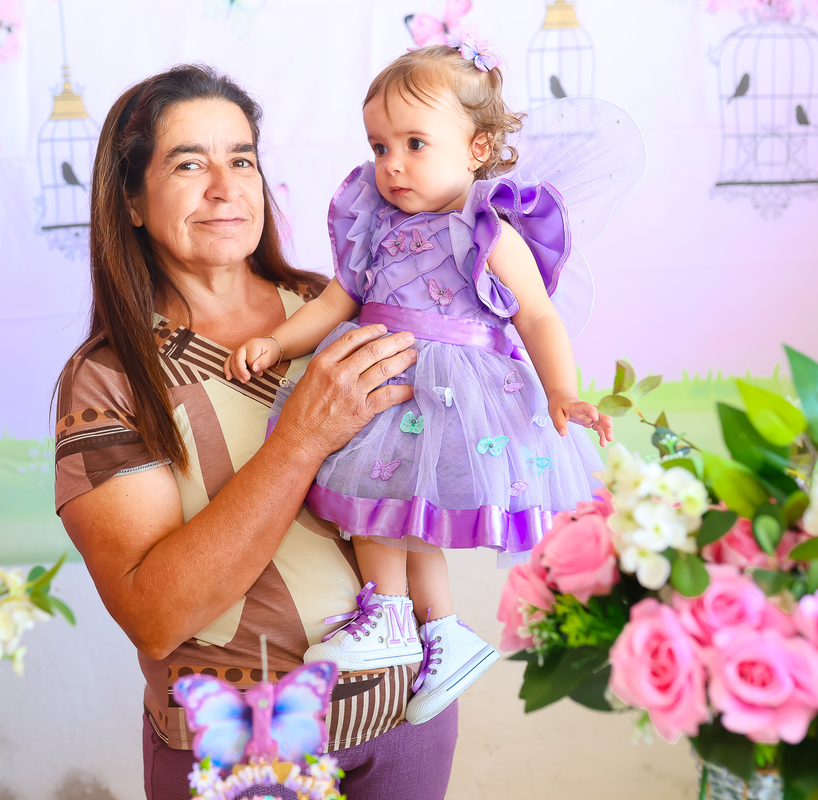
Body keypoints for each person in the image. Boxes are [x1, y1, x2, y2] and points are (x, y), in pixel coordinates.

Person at [54, 64, 459, 800]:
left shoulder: (339, 306)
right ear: (131, 200)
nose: (225, 188)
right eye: (188, 164)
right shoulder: (108, 380)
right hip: (240, 750)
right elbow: (154, 617)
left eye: (241, 159)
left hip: (404, 722)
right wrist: (301, 439)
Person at [224, 41, 614, 726]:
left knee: (385, 498)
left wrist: (561, 390)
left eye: (414, 144)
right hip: (379, 374)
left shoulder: (489, 230)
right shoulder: (376, 224)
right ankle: (441, 633)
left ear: (477, 148)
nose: (392, 164)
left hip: (448, 388)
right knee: (404, 509)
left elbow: (537, 315)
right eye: (379, 147)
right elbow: (336, 301)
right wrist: (279, 342)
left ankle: (389, 617)